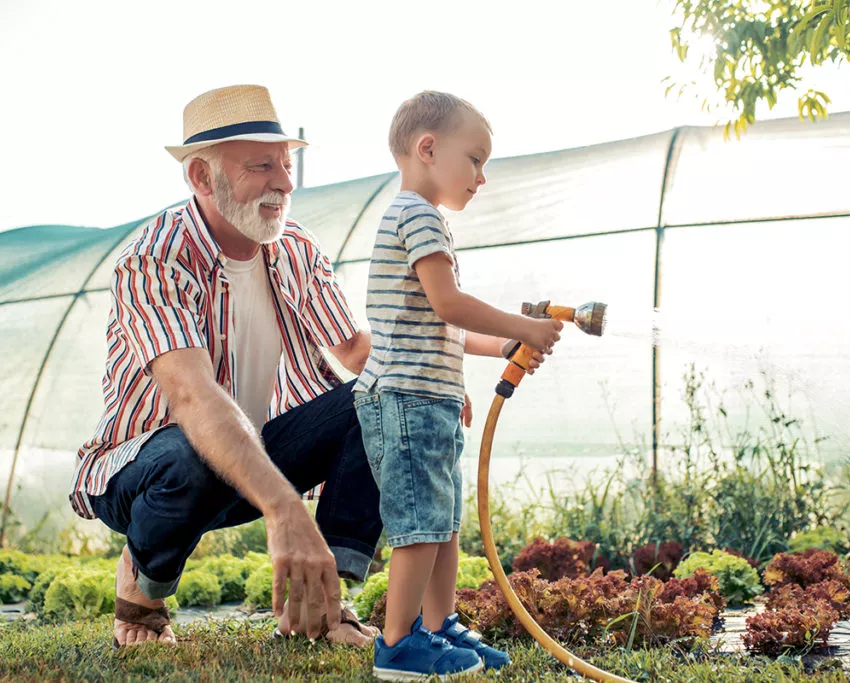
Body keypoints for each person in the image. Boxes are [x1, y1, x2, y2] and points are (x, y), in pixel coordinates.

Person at [69, 84, 382, 649]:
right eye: (261, 166)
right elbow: (192, 398)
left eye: (287, 165)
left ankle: (321, 604)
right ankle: (142, 597)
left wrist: (430, 368)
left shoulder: (296, 249)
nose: (284, 183)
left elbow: (357, 355)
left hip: (252, 458)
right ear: (200, 177)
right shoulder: (155, 257)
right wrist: (284, 507)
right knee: (190, 453)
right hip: (146, 469)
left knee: (384, 395)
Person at [353, 90, 563, 680]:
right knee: (421, 525)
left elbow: (437, 322)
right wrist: (522, 325)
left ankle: (438, 629)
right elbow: (448, 302)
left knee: (441, 522)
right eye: (475, 160)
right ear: (427, 148)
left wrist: (503, 346)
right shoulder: (416, 215)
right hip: (404, 399)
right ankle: (397, 646)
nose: (482, 177)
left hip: (426, 398)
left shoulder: (423, 217)